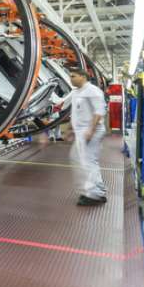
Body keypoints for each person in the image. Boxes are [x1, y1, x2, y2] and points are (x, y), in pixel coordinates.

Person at [58, 68, 108, 206]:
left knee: (87, 161)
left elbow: (99, 111)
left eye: (73, 76)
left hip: (91, 131)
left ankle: (94, 194)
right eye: (70, 76)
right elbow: (75, 113)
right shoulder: (76, 92)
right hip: (81, 131)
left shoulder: (92, 90)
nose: (71, 79)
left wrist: (91, 130)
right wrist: (69, 129)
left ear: (83, 77)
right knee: (83, 160)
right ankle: (98, 191)